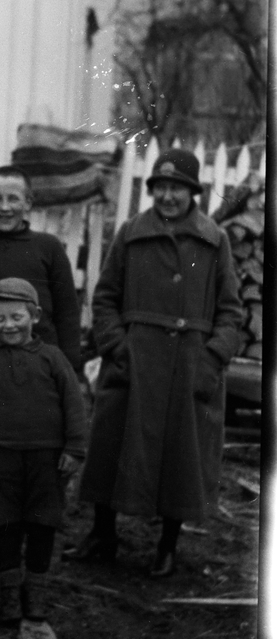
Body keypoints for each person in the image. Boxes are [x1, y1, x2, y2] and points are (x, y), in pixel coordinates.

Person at [64, 148, 242, 576]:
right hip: (134, 362)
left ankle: (167, 544)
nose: (167, 196)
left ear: (192, 192)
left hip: (190, 367)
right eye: (160, 187)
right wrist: (116, 346)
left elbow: (232, 312)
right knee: (112, 445)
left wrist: (211, 358)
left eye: (176, 188)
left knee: (181, 455)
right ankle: (102, 534)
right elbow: (104, 297)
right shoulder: (129, 234)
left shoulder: (214, 240)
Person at [0, 165, 82, 591]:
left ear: (29, 203)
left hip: (39, 379)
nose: (4, 207)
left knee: (40, 473)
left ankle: (34, 565)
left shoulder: (48, 247)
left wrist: (70, 368)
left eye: (14, 199)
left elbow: (66, 309)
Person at [0, 278, 86, 624]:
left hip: (46, 461)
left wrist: (74, 449)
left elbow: (74, 404)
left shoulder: (53, 359)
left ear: (35, 317)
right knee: (4, 527)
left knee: (43, 525)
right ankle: (10, 595)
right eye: (0, 319)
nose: (9, 325)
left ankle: (36, 594)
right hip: (1, 460)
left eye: (17, 317)